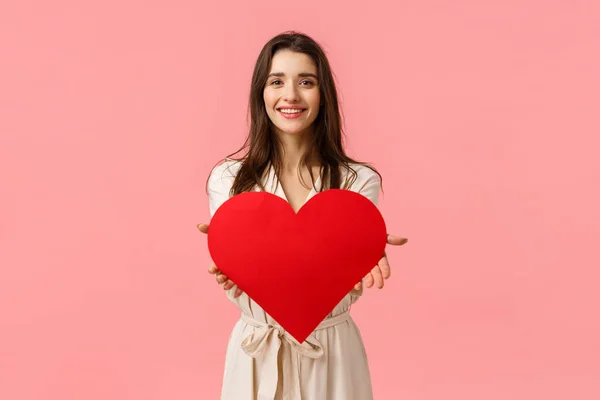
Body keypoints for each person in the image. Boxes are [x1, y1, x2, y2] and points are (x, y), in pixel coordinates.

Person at [197, 31, 408, 400]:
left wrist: (365, 245)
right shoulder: (228, 180)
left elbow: (326, 270)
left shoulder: (358, 182)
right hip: (255, 353)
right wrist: (228, 253)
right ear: (260, 93)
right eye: (276, 81)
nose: (290, 95)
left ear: (323, 94)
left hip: (333, 355)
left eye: (306, 82)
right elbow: (257, 271)